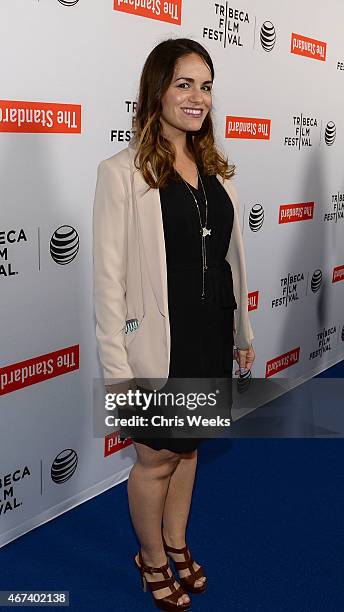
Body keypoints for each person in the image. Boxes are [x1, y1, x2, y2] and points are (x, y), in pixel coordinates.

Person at [93, 38, 255, 611]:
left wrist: (242, 337)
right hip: (159, 347)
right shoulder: (121, 174)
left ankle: (176, 543)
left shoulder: (215, 168)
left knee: (188, 450)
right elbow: (108, 283)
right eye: (184, 83)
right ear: (156, 89)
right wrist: (118, 373)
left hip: (211, 334)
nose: (198, 97)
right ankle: (152, 559)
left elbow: (230, 262)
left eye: (206, 86)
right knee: (155, 457)